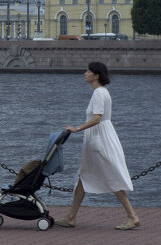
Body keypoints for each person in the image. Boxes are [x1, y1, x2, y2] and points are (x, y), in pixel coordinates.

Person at [57, 61, 142, 230]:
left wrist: (77, 128)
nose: (85, 73)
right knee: (83, 176)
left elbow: (97, 118)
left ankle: (132, 216)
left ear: (96, 75)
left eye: (88, 71)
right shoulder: (102, 92)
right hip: (99, 137)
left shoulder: (98, 94)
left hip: (99, 140)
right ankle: (71, 217)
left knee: (111, 176)